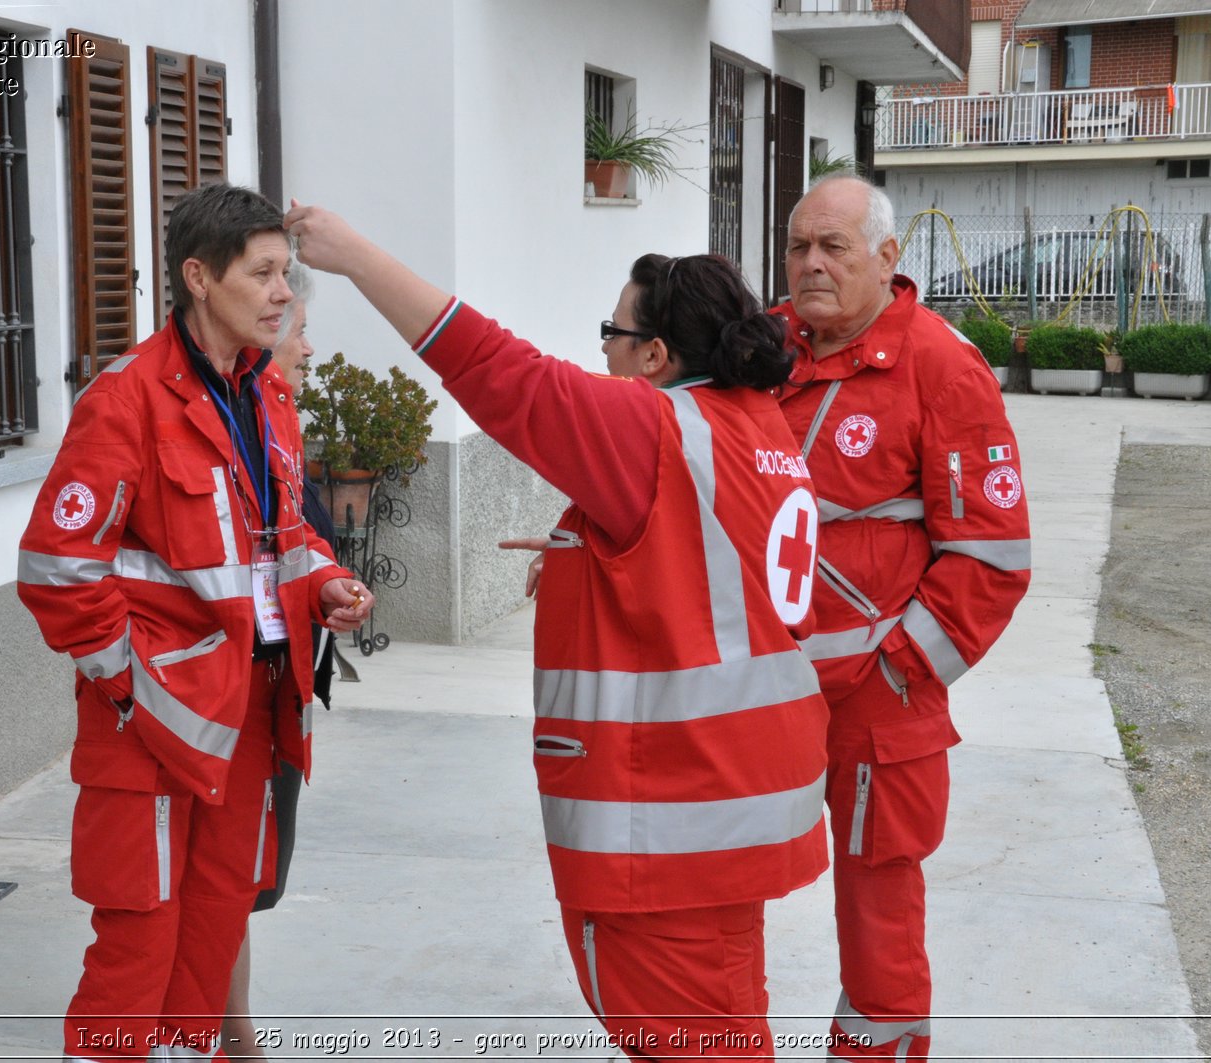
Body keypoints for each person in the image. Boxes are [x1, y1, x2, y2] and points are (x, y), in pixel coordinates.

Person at [286, 201, 830, 1060]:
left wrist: (355, 256)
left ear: (656, 354)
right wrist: (587, 555)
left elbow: (504, 374)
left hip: (673, 819)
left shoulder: (652, 425)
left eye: (612, 332)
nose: (600, 351)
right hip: (729, 805)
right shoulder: (755, 424)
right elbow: (706, 572)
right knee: (728, 1021)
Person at [17, 184, 373, 1063]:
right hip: (152, 728)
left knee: (211, 943)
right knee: (137, 953)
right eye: (263, 273)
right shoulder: (126, 399)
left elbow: (279, 539)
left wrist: (328, 582)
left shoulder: (268, 396)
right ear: (198, 278)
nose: (284, 293)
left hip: (250, 713)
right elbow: (57, 570)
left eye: (285, 272)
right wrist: (131, 688)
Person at [771, 175, 1031, 1061]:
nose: (810, 264)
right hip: (756, 685)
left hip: (880, 703)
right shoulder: (764, 346)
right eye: (799, 244)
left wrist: (897, 670)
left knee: (879, 909)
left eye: (832, 247)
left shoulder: (939, 365)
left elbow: (993, 558)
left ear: (887, 257)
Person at [221, 263, 337, 1060]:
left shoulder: (279, 414)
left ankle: (234, 1030)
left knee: (248, 880)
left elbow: (295, 536)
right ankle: (233, 1038)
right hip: (223, 692)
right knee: (227, 880)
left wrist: (332, 582)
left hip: (276, 684)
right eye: (297, 326)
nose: (304, 341)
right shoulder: (234, 413)